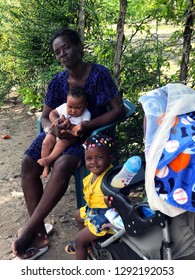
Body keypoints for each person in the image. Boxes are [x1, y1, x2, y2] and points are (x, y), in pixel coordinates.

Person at [11, 27, 125, 260]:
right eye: (57, 51)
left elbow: (118, 110)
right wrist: (51, 128)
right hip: (58, 134)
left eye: (67, 47)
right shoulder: (58, 81)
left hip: (90, 138)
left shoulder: (99, 75)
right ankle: (40, 232)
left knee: (62, 164)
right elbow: (45, 115)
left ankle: (29, 231)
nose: (62, 54)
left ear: (79, 47)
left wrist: (87, 126)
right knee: (27, 163)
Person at [65, 133, 115, 259]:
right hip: (93, 211)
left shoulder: (110, 179)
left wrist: (112, 203)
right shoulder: (93, 174)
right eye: (89, 158)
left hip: (104, 217)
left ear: (110, 158)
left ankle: (81, 246)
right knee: (77, 215)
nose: (94, 162)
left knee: (78, 241)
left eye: (99, 157)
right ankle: (87, 245)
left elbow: (120, 194)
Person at [37, 86, 91, 177]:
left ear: (85, 105)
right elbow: (52, 113)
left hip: (71, 137)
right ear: (67, 103)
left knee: (63, 142)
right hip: (57, 131)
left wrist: (71, 127)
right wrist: (55, 119)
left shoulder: (86, 114)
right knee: (46, 142)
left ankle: (49, 159)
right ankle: (46, 167)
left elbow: (81, 128)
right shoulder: (63, 107)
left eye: (77, 108)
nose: (73, 111)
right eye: (70, 107)